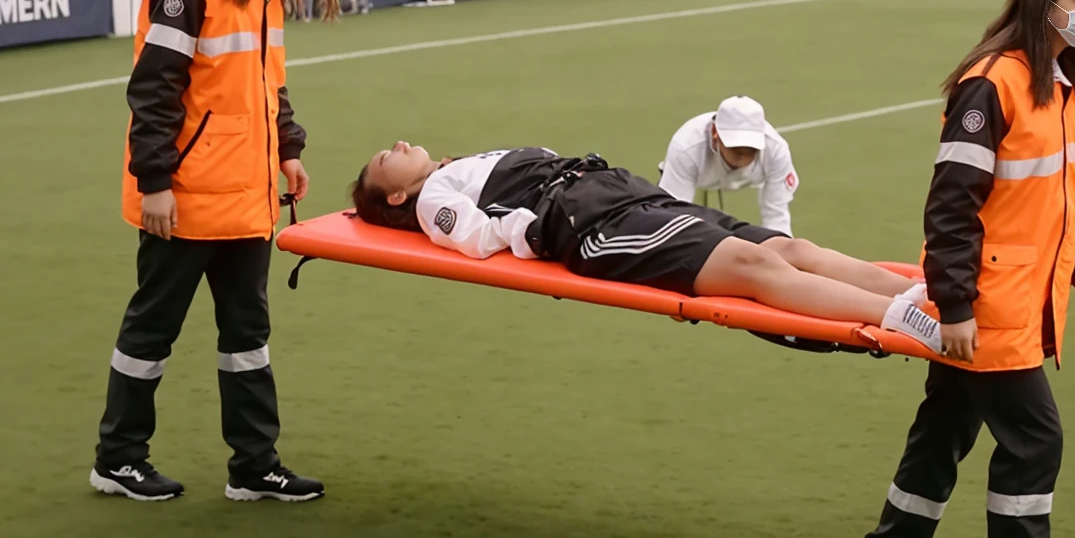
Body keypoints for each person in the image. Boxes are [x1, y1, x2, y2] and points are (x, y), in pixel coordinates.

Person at [844, 0, 1075, 538]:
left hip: (1021, 297)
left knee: (943, 436)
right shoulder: (994, 83)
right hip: (991, 304)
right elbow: (952, 205)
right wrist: (955, 307)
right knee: (1034, 440)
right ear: (1043, 1)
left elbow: (1061, 191)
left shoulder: (1058, 82)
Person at [94, 0, 340, 503]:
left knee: (247, 339)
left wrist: (288, 147)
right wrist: (154, 183)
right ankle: (117, 458)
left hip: (246, 195)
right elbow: (155, 86)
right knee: (152, 331)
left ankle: (254, 465)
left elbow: (266, 79)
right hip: (186, 195)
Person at [351, 144, 944, 353]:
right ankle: (902, 318)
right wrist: (530, 232)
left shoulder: (455, 167)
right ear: (398, 194)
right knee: (755, 266)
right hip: (589, 225)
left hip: (614, 194)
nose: (398, 143)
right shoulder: (433, 199)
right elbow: (478, 238)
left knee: (789, 247)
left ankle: (923, 292)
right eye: (387, 158)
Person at [659, 95, 799, 235]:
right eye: (735, 148)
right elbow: (674, 219)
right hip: (697, 172)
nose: (742, 157)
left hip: (748, 177)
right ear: (715, 133)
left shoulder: (776, 151)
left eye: (750, 149)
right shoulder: (686, 148)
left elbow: (776, 217)